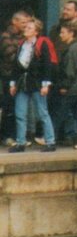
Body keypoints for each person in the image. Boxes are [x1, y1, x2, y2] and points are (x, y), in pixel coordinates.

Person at [9, 18, 57, 153]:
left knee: (42, 113)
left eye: (29, 28)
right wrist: (13, 83)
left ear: (36, 31)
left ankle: (50, 141)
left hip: (37, 82)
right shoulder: (21, 44)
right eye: (26, 28)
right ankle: (20, 142)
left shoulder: (42, 44)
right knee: (20, 113)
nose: (26, 30)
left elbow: (47, 65)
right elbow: (16, 66)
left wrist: (46, 84)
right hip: (22, 82)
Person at [52, 22, 77, 148]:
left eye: (63, 32)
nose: (60, 35)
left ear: (71, 33)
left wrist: (64, 86)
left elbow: (69, 70)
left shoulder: (72, 48)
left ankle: (52, 137)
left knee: (62, 112)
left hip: (72, 87)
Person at [0, 10, 30, 145]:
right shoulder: (5, 36)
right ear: (14, 22)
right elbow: (10, 56)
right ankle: (7, 136)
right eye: (23, 22)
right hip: (8, 76)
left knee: (20, 106)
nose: (26, 25)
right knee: (9, 106)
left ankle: (18, 135)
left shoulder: (23, 37)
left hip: (20, 77)